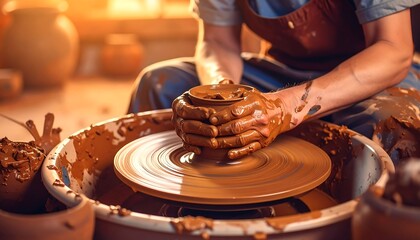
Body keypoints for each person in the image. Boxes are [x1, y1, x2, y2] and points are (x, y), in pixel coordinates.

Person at [128, 0, 420, 164]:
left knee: (393, 126)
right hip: (280, 71)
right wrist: (224, 93)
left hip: (371, 76)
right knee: (159, 83)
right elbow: (216, 42)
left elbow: (393, 48)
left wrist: (284, 107)